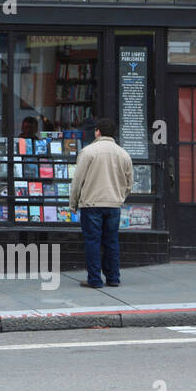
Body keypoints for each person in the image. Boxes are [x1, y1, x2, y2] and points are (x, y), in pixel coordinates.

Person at [70, 117, 134, 289]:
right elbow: (129, 183)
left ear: (97, 131)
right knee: (111, 242)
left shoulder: (88, 152)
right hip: (113, 204)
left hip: (91, 204)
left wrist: (73, 203)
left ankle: (95, 279)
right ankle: (113, 278)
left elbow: (77, 181)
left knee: (92, 242)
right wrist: (119, 197)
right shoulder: (124, 154)